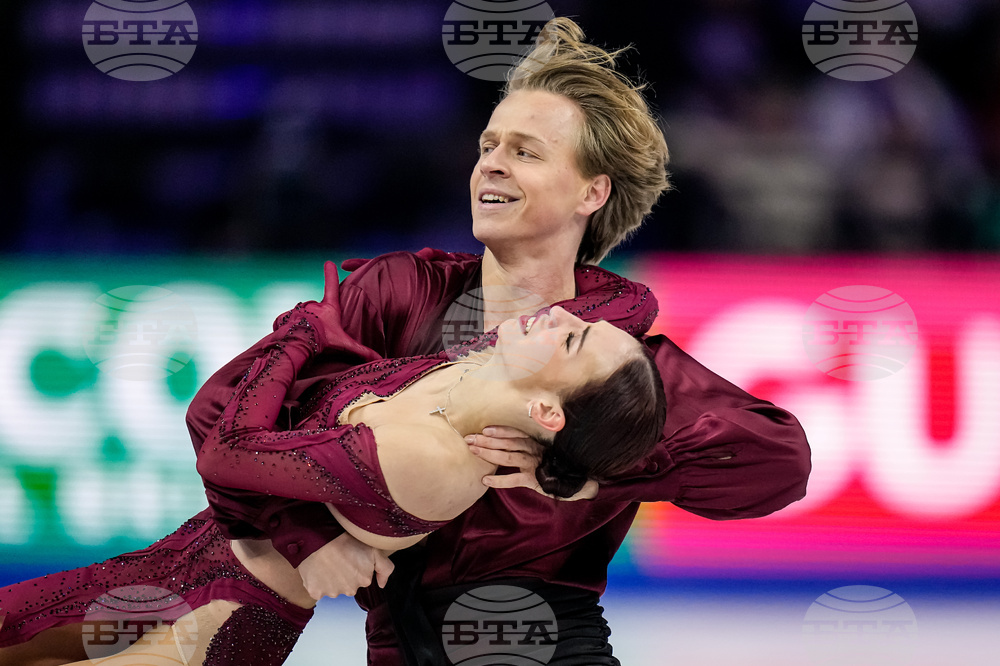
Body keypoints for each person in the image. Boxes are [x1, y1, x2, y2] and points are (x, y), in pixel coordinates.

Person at [182, 17, 811, 666]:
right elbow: (218, 410)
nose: (492, 164)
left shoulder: (620, 365)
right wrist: (306, 535)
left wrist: (582, 473)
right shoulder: (396, 292)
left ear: (592, 192)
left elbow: (781, 464)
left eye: (527, 151)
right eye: (490, 144)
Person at [0, 262, 666, 666]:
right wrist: (573, 472)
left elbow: (224, 449)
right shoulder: (489, 366)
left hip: (222, 619)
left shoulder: (430, 457)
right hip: (175, 565)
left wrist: (303, 333)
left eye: (571, 336)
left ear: (549, 412)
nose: (555, 318)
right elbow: (634, 301)